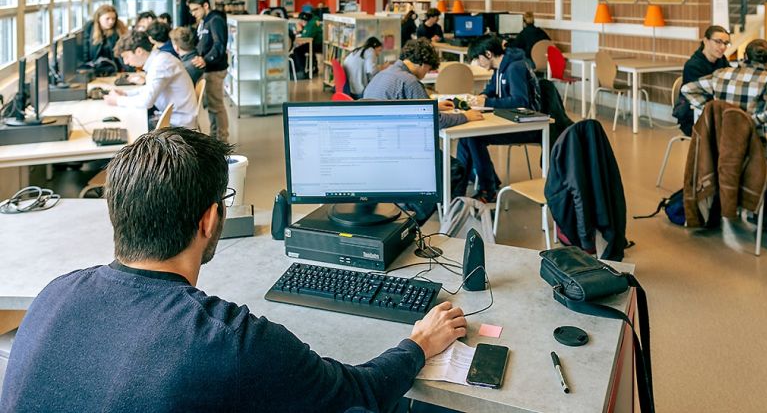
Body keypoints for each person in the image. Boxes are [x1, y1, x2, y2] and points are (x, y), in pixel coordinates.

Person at [0, 128, 467, 412]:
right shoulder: (231, 341)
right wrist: (419, 343)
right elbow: (358, 393)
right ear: (209, 219)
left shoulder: (53, 296)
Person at [681, 39, 767, 231]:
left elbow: (687, 89)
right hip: (755, 155)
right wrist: (755, 120)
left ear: (744, 57)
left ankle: (760, 202)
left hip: (723, 152)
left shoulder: (722, 74)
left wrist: (713, 112)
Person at [456, 35, 542, 203]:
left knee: (474, 137)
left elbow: (520, 101)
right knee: (466, 137)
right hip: (509, 121)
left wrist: (487, 102)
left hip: (526, 126)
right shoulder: (500, 67)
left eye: (478, 58)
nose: (478, 63)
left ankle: (488, 189)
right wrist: (483, 96)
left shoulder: (514, 68)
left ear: (488, 54)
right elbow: (491, 89)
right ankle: (460, 189)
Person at [363, 39, 482, 130]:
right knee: (455, 163)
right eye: (428, 70)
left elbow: (400, 105)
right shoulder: (410, 81)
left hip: (375, 134)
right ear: (423, 65)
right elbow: (435, 120)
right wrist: (466, 116)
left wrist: (434, 106)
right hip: (395, 140)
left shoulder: (383, 73)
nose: (426, 74)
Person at [104, 31, 198, 129]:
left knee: (131, 126)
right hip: (176, 118)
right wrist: (126, 94)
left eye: (126, 57)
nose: (126, 62)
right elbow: (149, 89)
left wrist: (117, 100)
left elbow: (146, 102)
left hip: (179, 125)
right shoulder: (159, 59)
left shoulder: (161, 64)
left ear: (139, 51)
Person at [672, 25, 731, 136]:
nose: (723, 47)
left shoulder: (722, 61)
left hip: (714, 111)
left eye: (726, 43)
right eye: (718, 42)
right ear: (705, 41)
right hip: (692, 116)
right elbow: (705, 95)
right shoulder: (693, 65)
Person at [188, 0, 230, 142]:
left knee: (216, 106)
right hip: (208, 70)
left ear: (205, 5)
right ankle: (215, 139)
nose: (193, 13)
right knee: (211, 106)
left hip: (215, 70)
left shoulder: (216, 20)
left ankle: (222, 141)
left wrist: (206, 59)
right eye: (191, 10)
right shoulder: (204, 20)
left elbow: (219, 45)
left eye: (195, 9)